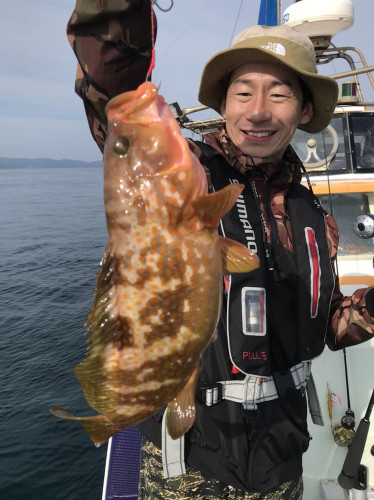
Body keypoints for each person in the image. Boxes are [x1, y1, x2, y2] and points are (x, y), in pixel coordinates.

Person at [67, 2, 374, 498]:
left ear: (305, 109)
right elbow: (115, 103)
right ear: (224, 105)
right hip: (188, 466)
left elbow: (328, 326)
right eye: (243, 92)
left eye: (278, 94)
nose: (258, 110)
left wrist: (369, 310)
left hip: (282, 465)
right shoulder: (188, 171)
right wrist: (115, 15)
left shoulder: (311, 212)